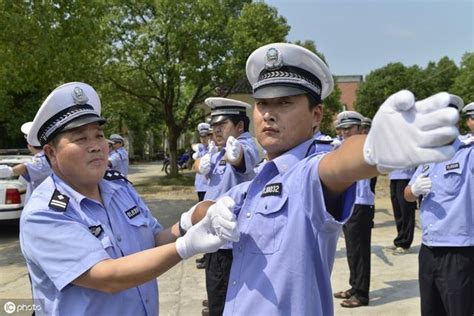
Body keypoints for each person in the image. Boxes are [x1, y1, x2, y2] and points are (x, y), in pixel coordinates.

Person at [179, 42, 460, 315]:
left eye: (284, 102)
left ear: (316, 115)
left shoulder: (306, 172)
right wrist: (190, 218)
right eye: (262, 103)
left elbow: (336, 165)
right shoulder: (259, 180)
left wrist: (372, 150)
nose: (268, 114)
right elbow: (221, 205)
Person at [19, 82, 239, 316]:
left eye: (99, 135)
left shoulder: (118, 188)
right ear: (51, 153)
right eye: (80, 139)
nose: (95, 146)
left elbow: (154, 240)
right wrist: (185, 246)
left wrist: (191, 219)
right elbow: (107, 276)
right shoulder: (44, 212)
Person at [193, 97, 259, 316]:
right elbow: (203, 166)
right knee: (217, 292)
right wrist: (199, 163)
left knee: (222, 299)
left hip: (227, 242)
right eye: (214, 126)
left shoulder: (243, 145)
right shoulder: (220, 150)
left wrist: (236, 154)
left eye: (222, 125)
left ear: (240, 126)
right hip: (215, 237)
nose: (216, 131)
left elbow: (242, 157)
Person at [404, 119, 473, 316]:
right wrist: (414, 190)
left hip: (458, 250)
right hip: (428, 248)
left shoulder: (468, 152)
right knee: (430, 309)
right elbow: (407, 195)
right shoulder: (428, 158)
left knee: (460, 310)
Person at [333, 110, 376, 307]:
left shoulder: (367, 147)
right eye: (342, 129)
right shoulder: (341, 146)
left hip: (361, 204)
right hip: (348, 204)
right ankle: (354, 285)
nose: (345, 133)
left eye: (349, 129)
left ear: (359, 128)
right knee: (351, 249)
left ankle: (361, 294)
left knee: (360, 250)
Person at [0, 121, 52, 202]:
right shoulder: (51, 156)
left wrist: (8, 171)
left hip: (41, 205)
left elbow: (21, 169)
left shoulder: (42, 160)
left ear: (29, 146)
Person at [387, 167, 417, 255]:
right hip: (393, 176)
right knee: (398, 210)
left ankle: (405, 243)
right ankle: (400, 239)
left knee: (406, 211)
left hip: (406, 176)